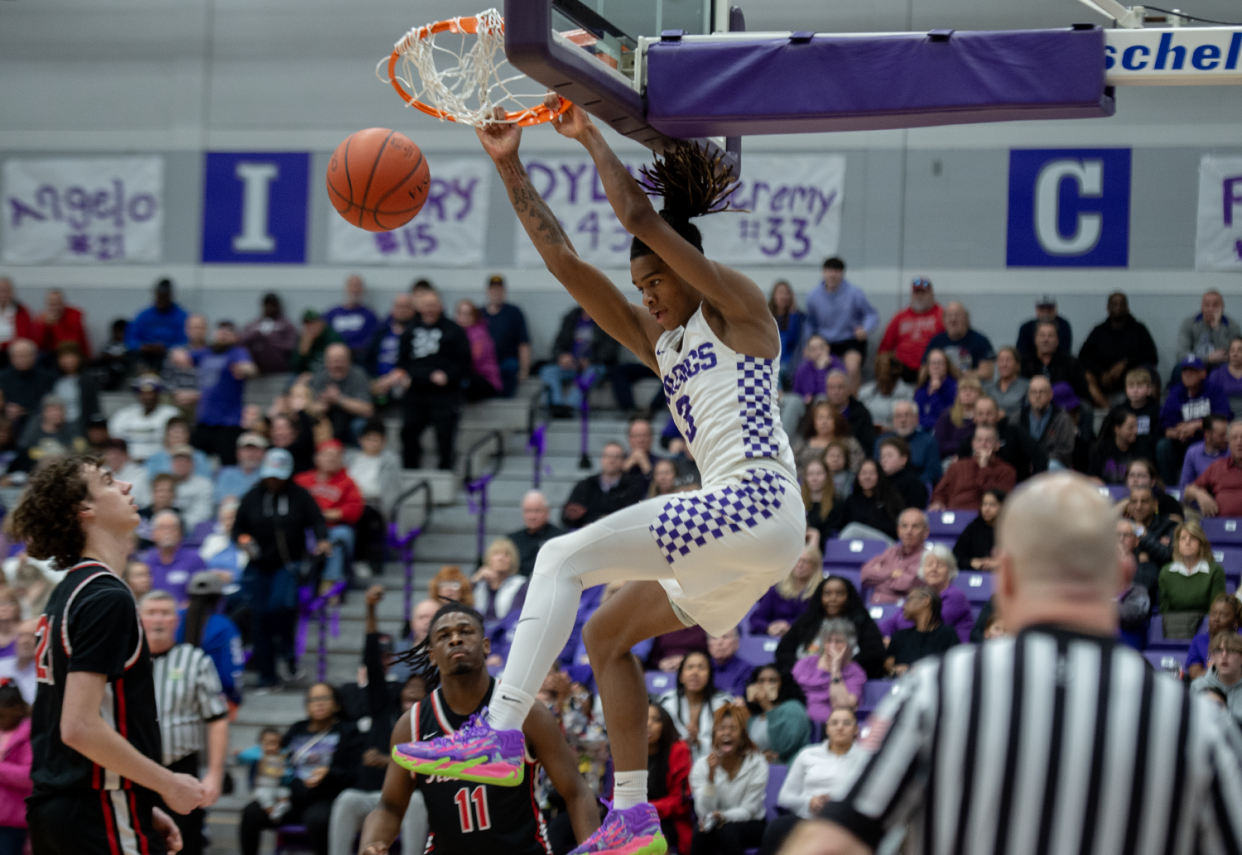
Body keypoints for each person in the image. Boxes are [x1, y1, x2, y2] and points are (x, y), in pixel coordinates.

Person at [396, 98, 806, 855]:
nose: (646, 295)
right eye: (641, 287)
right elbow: (565, 263)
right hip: (745, 546)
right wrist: (509, 164)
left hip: (756, 503)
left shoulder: (739, 310)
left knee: (558, 557)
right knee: (605, 632)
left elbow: (643, 224)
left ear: (689, 269)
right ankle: (631, 817)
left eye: (654, 282)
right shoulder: (667, 348)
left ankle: (498, 732)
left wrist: (588, 136)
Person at [790, 472, 1242, 855]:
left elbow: (834, 841)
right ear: (1122, 574)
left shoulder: (937, 693)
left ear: (1003, 576)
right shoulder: (1195, 725)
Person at [12, 455, 204, 854]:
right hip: (95, 812)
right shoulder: (106, 597)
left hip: (72, 808)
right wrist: (166, 784)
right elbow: (78, 727)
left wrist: (139, 799)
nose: (127, 487)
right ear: (85, 509)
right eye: (109, 482)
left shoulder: (69, 591)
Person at [362, 602, 600, 855]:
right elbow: (389, 806)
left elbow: (576, 791)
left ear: (486, 645)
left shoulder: (525, 711)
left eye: (465, 632)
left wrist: (596, 850)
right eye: (444, 636)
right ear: (432, 654)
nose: (455, 639)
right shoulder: (412, 725)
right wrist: (372, 844)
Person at [328, 587, 430, 855]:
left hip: (409, 798)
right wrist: (371, 611)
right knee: (347, 799)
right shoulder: (383, 708)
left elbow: (433, 769)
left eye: (420, 690)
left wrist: (389, 761)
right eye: (409, 687)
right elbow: (373, 661)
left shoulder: (431, 722)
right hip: (370, 794)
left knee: (419, 802)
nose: (413, 692)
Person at [140, 590, 228, 855]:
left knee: (183, 844)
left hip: (180, 768)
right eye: (151, 613)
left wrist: (214, 773)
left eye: (165, 613)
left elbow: (217, 719)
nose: (158, 620)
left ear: (175, 621)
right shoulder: (124, 660)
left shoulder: (195, 660)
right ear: (139, 619)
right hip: (134, 768)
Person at [234, 448, 331, 689]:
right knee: (259, 617)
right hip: (258, 565)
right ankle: (267, 676)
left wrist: (321, 539)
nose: (274, 481)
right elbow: (237, 528)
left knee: (279, 607)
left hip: (288, 564)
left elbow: (317, 520)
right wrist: (243, 540)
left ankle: (288, 656)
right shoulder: (252, 496)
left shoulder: (300, 496)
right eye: (270, 476)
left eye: (279, 477)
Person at [239, 683, 362, 855]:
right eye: (314, 699)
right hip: (290, 799)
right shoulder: (296, 729)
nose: (319, 703)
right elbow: (278, 755)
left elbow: (355, 772)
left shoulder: (348, 732)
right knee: (251, 812)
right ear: (307, 706)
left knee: (318, 820)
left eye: (325, 698)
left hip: (326, 798)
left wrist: (328, 772)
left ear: (336, 704)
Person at [383, 285, 471, 470]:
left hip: (444, 392)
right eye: (426, 305)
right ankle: (410, 470)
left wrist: (448, 375)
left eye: (434, 305)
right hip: (416, 390)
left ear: (441, 306)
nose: (430, 309)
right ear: (419, 307)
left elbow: (464, 362)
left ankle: (445, 471)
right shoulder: (410, 330)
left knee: (445, 434)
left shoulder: (454, 330)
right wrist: (403, 375)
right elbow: (402, 360)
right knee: (408, 432)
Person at [764, 707, 862, 855]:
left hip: (845, 822)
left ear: (856, 729)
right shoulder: (808, 754)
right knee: (777, 827)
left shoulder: (866, 758)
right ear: (827, 728)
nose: (840, 727)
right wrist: (809, 802)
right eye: (834, 723)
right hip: (808, 818)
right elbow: (784, 797)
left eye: (847, 723)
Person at [688, 705, 768, 855]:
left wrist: (724, 816)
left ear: (742, 735)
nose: (727, 733)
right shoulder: (701, 766)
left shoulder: (757, 763)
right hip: (717, 824)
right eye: (721, 728)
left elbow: (750, 810)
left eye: (733, 728)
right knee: (700, 833)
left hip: (751, 824)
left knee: (727, 830)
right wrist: (710, 777)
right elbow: (704, 811)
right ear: (714, 735)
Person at [775, 576, 886, 678]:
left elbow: (873, 655)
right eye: (827, 594)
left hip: (846, 678)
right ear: (820, 597)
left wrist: (841, 668)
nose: (833, 598)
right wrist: (805, 669)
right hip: (804, 677)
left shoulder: (862, 620)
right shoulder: (807, 620)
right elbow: (783, 652)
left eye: (840, 594)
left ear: (849, 597)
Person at [294, 440, 364, 590]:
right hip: (303, 527)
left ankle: (330, 584)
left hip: (333, 527)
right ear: (317, 458)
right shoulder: (301, 480)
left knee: (338, 538)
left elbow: (355, 510)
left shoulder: (348, 483)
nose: (331, 459)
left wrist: (323, 515)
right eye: (327, 455)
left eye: (336, 455)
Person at [1158, 355, 1234, 485]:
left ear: (1203, 373)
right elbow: (1166, 428)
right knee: (1163, 447)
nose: (1188, 375)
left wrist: (1195, 425)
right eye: (1185, 371)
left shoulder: (1214, 390)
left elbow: (1223, 418)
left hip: (1207, 438)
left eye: (1192, 371)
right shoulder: (1175, 393)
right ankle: (1169, 488)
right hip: (1183, 441)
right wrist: (1179, 433)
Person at [1079, 292, 1160, 408]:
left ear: (1127, 307)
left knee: (1150, 373)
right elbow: (1083, 357)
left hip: (1131, 376)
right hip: (1104, 378)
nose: (1118, 307)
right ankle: (1108, 412)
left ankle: (1149, 413)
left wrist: (1126, 363)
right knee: (1085, 376)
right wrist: (1101, 372)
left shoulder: (1138, 329)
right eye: (1114, 304)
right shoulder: (1099, 331)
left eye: (1121, 304)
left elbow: (1152, 355)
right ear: (1108, 307)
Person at [877, 545, 973, 643]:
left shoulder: (956, 596)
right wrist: (874, 635)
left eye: (940, 565)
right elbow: (892, 622)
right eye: (929, 565)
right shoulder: (917, 594)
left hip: (949, 653)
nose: (933, 569)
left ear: (950, 571)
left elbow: (924, 625)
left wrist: (893, 641)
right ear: (922, 570)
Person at [803, 259, 877, 385]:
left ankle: (853, 401)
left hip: (850, 339)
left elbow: (871, 314)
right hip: (825, 341)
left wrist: (865, 328)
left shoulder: (854, 292)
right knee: (817, 367)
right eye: (829, 271)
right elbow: (810, 322)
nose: (832, 275)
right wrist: (808, 344)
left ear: (842, 273)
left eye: (836, 271)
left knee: (852, 368)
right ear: (824, 273)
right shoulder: (813, 296)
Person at [658, 651, 735, 763]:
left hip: (716, 765)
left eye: (701, 668)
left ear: (710, 675)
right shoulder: (666, 701)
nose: (695, 672)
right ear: (681, 676)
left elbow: (731, 741)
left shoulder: (724, 703)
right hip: (673, 766)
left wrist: (699, 741)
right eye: (690, 667)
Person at [1158, 521, 1226, 639]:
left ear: (1201, 543)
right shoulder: (1166, 572)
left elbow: (1215, 612)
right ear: (1177, 544)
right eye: (1183, 538)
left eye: (1193, 538)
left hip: (1205, 631)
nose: (1187, 542)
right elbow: (1165, 612)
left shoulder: (1215, 571)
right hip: (1174, 630)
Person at [791, 619, 864, 725]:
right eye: (828, 641)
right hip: (796, 716)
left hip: (828, 725)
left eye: (838, 641)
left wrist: (835, 670)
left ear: (850, 646)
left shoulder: (855, 672)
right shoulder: (805, 664)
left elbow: (842, 707)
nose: (832, 646)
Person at [561, 441, 647, 529]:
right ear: (601, 459)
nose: (612, 460)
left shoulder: (632, 487)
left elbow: (634, 518)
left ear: (623, 461)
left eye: (617, 457)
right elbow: (565, 518)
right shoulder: (585, 485)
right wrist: (570, 516)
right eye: (608, 456)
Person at [646, 702, 695, 855]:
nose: (648, 724)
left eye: (655, 720)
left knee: (649, 839)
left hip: (670, 821)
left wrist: (645, 810)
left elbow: (680, 802)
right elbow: (617, 795)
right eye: (643, 719)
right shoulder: (629, 752)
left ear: (665, 724)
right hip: (635, 820)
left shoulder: (679, 750)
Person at [929, 426, 1016, 511]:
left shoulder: (1007, 471)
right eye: (979, 440)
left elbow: (998, 500)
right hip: (955, 516)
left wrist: (983, 467)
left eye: (988, 440)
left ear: (997, 445)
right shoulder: (957, 466)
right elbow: (939, 493)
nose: (983, 444)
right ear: (973, 444)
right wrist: (938, 502)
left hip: (985, 518)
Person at [877, 278, 944, 384]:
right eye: (916, 293)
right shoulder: (900, 317)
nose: (920, 296)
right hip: (902, 370)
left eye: (924, 292)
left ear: (931, 294)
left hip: (931, 368)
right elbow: (885, 346)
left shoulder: (941, 315)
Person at [310, 343, 375, 446]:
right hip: (329, 423)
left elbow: (368, 409)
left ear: (349, 360)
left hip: (352, 422)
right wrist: (324, 405)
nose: (336, 365)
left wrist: (339, 399)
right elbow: (311, 409)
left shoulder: (359, 375)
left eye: (340, 360)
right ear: (326, 362)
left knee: (360, 425)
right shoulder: (319, 377)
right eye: (333, 361)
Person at [884, 586, 959, 675]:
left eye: (909, 600)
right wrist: (896, 670)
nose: (904, 606)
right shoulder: (899, 636)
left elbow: (955, 667)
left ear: (926, 601)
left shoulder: (948, 635)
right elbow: (887, 666)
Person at [743, 665, 810, 765]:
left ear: (783, 684)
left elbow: (784, 746)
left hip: (787, 770)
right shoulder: (753, 718)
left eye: (772, 681)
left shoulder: (793, 708)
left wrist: (768, 706)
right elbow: (745, 752)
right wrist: (761, 757)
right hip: (757, 771)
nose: (766, 685)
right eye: (761, 681)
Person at [779, 335, 844, 436]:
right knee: (793, 401)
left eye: (821, 347)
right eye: (813, 349)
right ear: (807, 352)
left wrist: (822, 369)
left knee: (821, 399)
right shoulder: (802, 370)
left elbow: (827, 393)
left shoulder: (837, 366)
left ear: (828, 347)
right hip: (807, 411)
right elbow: (796, 394)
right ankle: (783, 439)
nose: (818, 352)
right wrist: (805, 398)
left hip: (831, 409)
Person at [108, 374, 181, 463]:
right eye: (144, 393)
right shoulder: (123, 415)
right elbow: (115, 442)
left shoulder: (171, 414)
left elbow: (179, 443)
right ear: (137, 394)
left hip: (161, 462)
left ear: (159, 394)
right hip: (128, 464)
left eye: (152, 393)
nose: (148, 397)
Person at [750, 547, 820, 637]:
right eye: (796, 560)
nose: (800, 565)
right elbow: (756, 619)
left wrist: (790, 626)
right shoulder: (775, 590)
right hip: (775, 638)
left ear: (815, 565)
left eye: (805, 561)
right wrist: (769, 627)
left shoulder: (821, 592)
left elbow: (817, 620)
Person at [481, 275, 531, 398]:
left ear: (504, 291)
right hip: (484, 362)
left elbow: (523, 343)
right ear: (488, 291)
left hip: (506, 361)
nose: (496, 293)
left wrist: (524, 370)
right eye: (493, 290)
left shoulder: (514, 313)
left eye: (499, 290)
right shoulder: (479, 313)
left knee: (510, 366)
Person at [143, 510, 207, 603]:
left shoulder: (195, 560)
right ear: (153, 534)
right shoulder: (146, 561)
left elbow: (202, 594)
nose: (167, 532)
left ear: (180, 533)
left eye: (172, 528)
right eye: (162, 528)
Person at [1013, 374, 1075, 471]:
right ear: (1029, 395)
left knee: (1052, 466)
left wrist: (1040, 461)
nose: (1037, 396)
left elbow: (1065, 451)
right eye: (1034, 392)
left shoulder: (1062, 418)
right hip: (1024, 464)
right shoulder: (1017, 418)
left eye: (1042, 392)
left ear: (1050, 394)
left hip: (1052, 464)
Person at [1019, 318, 1089, 402]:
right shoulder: (1024, 363)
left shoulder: (1071, 363)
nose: (1046, 339)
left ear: (1057, 340)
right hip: (1032, 410)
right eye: (1042, 335)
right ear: (1035, 339)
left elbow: (1083, 395)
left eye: (1050, 335)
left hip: (1064, 411)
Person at [924, 302, 996, 381]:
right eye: (949, 315)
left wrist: (958, 374)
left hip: (971, 388)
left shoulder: (980, 340)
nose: (953, 319)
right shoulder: (936, 341)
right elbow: (923, 370)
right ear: (944, 319)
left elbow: (987, 373)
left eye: (957, 315)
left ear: (966, 318)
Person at [366, 293, 417, 405]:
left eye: (406, 306)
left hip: (405, 381)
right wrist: (373, 380)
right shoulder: (381, 332)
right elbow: (367, 358)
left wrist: (397, 376)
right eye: (399, 306)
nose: (402, 310)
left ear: (413, 310)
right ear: (393, 309)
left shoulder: (417, 333)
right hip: (378, 381)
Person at [126, 278, 188, 370]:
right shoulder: (143, 315)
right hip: (144, 355)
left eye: (164, 297)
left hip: (168, 356)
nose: (161, 300)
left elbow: (184, 341)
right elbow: (130, 339)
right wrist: (141, 346)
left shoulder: (182, 316)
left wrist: (166, 348)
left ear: (170, 295)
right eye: (159, 296)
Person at [836, 460, 904, 542]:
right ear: (858, 477)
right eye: (863, 473)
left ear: (880, 475)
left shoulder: (891, 498)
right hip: (857, 546)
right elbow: (841, 526)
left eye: (872, 473)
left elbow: (897, 527)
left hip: (885, 544)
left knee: (852, 529)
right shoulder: (851, 500)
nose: (867, 477)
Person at [874, 399, 941, 483]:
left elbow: (932, 472)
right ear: (893, 420)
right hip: (887, 488)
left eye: (907, 415)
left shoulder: (928, 441)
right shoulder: (881, 441)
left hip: (917, 487)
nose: (903, 420)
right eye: (898, 416)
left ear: (916, 419)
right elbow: (876, 469)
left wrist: (913, 485)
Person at [793, 401, 864, 478]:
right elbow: (793, 471)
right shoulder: (801, 447)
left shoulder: (850, 444)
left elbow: (857, 470)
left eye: (829, 417)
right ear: (813, 421)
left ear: (836, 420)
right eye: (820, 418)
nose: (824, 422)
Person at [0, 680, 31, 855]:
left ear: (17, 709)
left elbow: (28, 775)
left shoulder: (28, 734)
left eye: (2, 716)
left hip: (13, 821)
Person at [507, 490, 566, 577]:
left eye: (537, 511)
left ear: (547, 512)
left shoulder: (560, 537)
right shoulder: (512, 540)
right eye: (528, 511)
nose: (532, 516)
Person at [1178, 289, 1239, 372]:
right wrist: (1208, 358)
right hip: (1196, 364)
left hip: (1220, 366)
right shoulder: (1189, 323)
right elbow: (1181, 354)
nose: (1211, 309)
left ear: (1222, 308)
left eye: (1215, 305)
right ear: (1202, 307)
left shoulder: (1233, 326)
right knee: (1178, 369)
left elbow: (1227, 355)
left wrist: (1217, 328)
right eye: (1207, 305)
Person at [0, 338, 55, 431]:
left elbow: (49, 402)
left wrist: (24, 410)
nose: (22, 360)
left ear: (35, 356)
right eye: (19, 356)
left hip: (39, 422)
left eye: (26, 355)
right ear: (11, 358)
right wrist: (5, 408)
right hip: (9, 424)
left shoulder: (47, 377)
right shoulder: (2, 376)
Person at [1186, 593, 1242, 680]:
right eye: (1213, 614)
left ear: (1235, 621)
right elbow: (1195, 674)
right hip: (1208, 689)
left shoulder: (1240, 641)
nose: (1216, 619)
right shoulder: (1199, 641)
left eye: (1223, 615)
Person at [856, 352, 914, 436]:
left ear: (895, 379)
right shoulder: (864, 393)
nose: (885, 387)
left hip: (898, 437)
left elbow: (910, 423)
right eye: (881, 382)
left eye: (888, 382)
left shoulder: (908, 394)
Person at [1190, 631, 1242, 725]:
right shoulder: (1198, 686)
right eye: (1219, 650)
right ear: (1212, 657)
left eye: (1231, 650)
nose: (1224, 655)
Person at [455, 299, 503, 400]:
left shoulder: (480, 335)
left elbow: (473, 360)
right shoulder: (454, 332)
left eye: (468, 314)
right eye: (461, 313)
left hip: (484, 379)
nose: (463, 317)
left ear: (475, 316)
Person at [472, 537, 527, 623]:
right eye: (496, 554)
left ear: (512, 561)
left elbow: (514, 616)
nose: (501, 558)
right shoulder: (479, 583)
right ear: (488, 559)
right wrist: (474, 581)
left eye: (506, 555)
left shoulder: (520, 585)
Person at [240, 293, 298, 374]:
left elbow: (291, 346)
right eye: (267, 304)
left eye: (273, 305)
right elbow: (242, 343)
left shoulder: (286, 325)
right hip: (255, 374)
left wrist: (270, 340)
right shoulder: (253, 325)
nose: (270, 307)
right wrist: (254, 336)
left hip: (279, 373)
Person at [323, 275, 379, 359]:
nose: (354, 290)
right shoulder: (332, 313)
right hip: (334, 356)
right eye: (352, 286)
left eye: (358, 287)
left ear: (362, 290)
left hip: (358, 356)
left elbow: (372, 340)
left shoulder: (369, 315)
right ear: (346, 288)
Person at [51, 341, 100, 428]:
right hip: (58, 426)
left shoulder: (87, 380)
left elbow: (94, 407)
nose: (68, 361)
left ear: (79, 358)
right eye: (64, 357)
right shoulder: (54, 380)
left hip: (81, 425)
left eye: (71, 356)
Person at [932, 376, 982, 461]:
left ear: (980, 394)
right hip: (949, 459)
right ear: (958, 394)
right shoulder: (946, 415)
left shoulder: (984, 417)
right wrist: (966, 446)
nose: (967, 393)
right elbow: (940, 445)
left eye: (972, 390)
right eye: (964, 390)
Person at [953, 488, 1002, 571]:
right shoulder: (974, 527)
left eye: (992, 505)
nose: (986, 509)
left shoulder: (1010, 528)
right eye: (984, 504)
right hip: (975, 574)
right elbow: (955, 558)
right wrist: (971, 562)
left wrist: (1000, 563)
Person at [769, 280, 806, 389]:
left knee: (780, 370)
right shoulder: (767, 316)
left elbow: (792, 339)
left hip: (789, 359)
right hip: (771, 357)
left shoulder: (797, 316)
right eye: (780, 293)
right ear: (774, 295)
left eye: (786, 293)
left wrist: (792, 314)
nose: (783, 296)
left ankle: (780, 400)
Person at [1015, 294, 1073, 361]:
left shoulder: (1063, 325)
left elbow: (1064, 351)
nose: (1045, 312)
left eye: (1049, 309)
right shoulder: (1026, 328)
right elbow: (1021, 353)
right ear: (1036, 309)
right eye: (1042, 309)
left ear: (1055, 309)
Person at [168, 445, 214, 529]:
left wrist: (179, 524)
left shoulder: (204, 484)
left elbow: (204, 514)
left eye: (185, 461)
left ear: (192, 463)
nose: (181, 464)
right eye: (177, 460)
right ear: (171, 463)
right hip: (167, 526)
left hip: (193, 529)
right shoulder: (165, 483)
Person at [877, 437, 928, 510]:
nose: (884, 460)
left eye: (889, 456)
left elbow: (913, 513)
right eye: (882, 456)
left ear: (903, 459)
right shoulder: (877, 480)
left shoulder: (913, 483)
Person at [913, 349, 957, 433]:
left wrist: (934, 393)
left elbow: (944, 417)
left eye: (940, 363)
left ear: (946, 366)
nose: (936, 366)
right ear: (928, 366)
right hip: (921, 429)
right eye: (933, 363)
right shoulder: (922, 387)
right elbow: (916, 414)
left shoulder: (954, 387)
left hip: (944, 430)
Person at [982, 346, 1029, 423]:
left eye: (1008, 360)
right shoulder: (987, 388)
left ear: (1017, 365)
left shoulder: (1026, 386)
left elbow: (1030, 412)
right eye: (1001, 360)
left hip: (1017, 426)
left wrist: (1007, 413)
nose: (1004, 364)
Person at [803, 459, 844, 541]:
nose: (814, 478)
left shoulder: (837, 503)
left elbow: (832, 535)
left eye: (819, 473)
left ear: (827, 476)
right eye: (810, 474)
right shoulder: (798, 502)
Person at [0, 621, 37, 704]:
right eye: (21, 635)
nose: (25, 640)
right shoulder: (1, 666)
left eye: (32, 636)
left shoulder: (45, 673)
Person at [707, 628, 750, 698]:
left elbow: (737, 700)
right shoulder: (702, 668)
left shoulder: (746, 669)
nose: (719, 642)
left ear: (737, 643)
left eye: (725, 637)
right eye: (714, 638)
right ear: (709, 645)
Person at [0, 279, 33, 367]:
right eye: (1, 290)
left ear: (12, 292)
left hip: (13, 349)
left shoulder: (20, 310)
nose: (3, 294)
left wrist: (3, 345)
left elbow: (22, 335)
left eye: (6, 291)